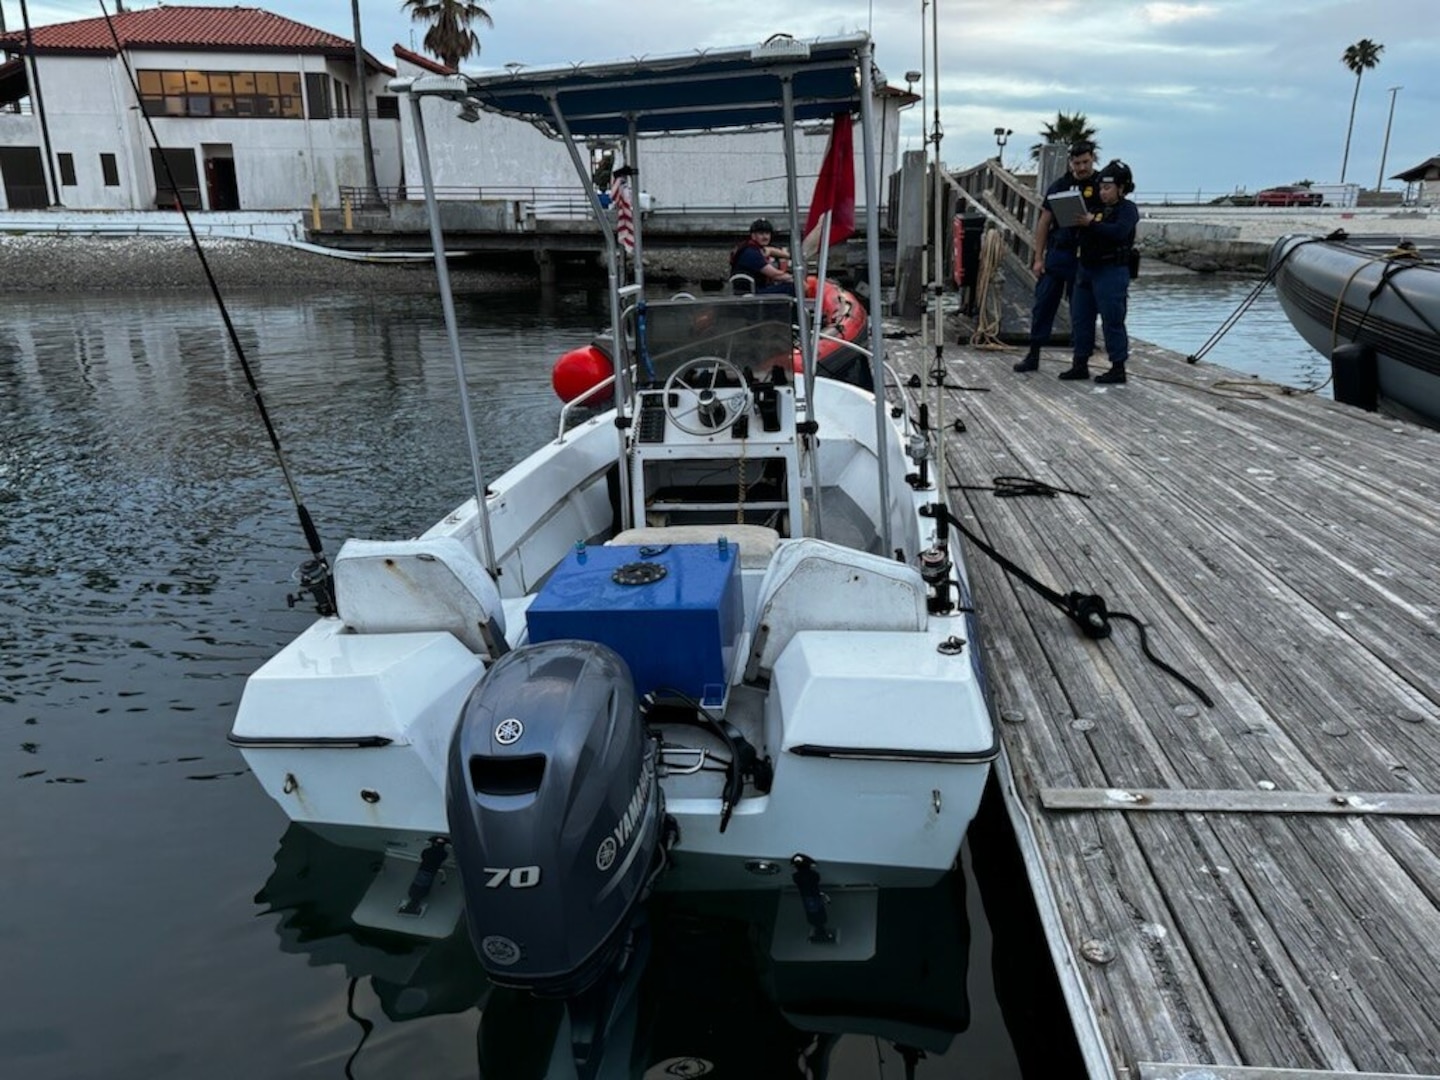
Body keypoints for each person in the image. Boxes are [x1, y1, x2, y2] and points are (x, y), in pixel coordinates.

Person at [1013, 141, 1102, 372]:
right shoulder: (1060, 185)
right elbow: (1044, 221)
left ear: (1093, 158)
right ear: (1070, 162)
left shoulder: (1102, 185)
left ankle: (1080, 361)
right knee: (1043, 305)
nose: (1081, 167)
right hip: (1059, 253)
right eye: (1076, 163)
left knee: (1082, 310)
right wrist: (1038, 257)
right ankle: (1033, 354)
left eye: (1085, 162)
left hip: (1085, 256)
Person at [1058, 159, 1140, 385]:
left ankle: (1117, 366)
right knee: (1081, 317)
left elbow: (1118, 232)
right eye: (1100, 188)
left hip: (1112, 270)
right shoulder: (1094, 209)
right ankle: (1080, 362)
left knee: (1112, 319)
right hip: (1087, 268)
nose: (1102, 193)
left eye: (1107, 188)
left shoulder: (1127, 210)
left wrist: (1091, 225)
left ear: (1121, 188)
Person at [730, 218, 794, 295]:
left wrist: (791, 256)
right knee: (792, 287)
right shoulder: (751, 253)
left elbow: (770, 250)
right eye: (761, 233)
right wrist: (796, 279)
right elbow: (775, 275)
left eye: (767, 233)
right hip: (752, 292)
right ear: (753, 236)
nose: (765, 237)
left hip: (755, 289)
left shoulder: (754, 248)